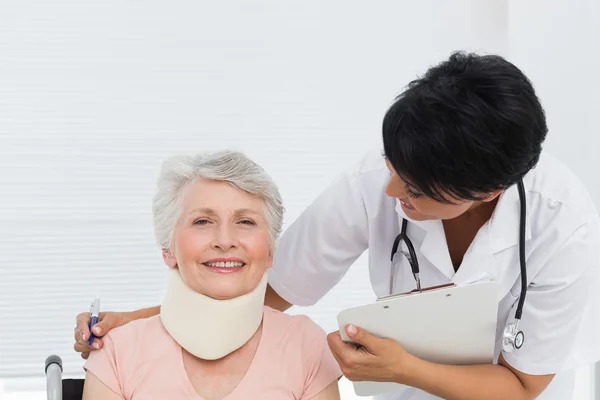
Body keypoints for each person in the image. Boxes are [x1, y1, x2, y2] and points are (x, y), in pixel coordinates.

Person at [75, 52, 600, 399]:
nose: (393, 193)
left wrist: (402, 369)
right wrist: (142, 320)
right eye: (394, 170)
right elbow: (274, 285)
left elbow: (521, 381)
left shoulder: (562, 225)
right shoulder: (379, 176)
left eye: (415, 191)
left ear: (485, 193)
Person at [80, 151, 342, 399]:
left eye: (246, 222)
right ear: (167, 249)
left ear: (271, 250)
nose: (225, 240)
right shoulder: (116, 351)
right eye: (202, 221)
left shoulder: (306, 346)